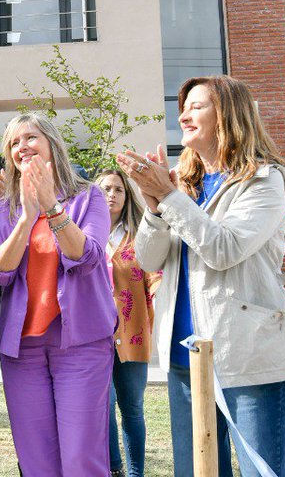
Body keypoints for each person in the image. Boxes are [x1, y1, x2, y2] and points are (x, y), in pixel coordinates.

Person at [122, 75, 285, 477]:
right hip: (184, 360)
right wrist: (156, 205)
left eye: (197, 106)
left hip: (247, 357)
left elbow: (224, 249)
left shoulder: (266, 181)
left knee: (262, 471)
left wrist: (171, 197)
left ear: (228, 114)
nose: (184, 114)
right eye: (184, 106)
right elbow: (147, 258)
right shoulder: (183, 184)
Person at [0, 113, 115, 477]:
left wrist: (50, 208)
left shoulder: (88, 197)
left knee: (81, 459)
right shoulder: (5, 209)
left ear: (52, 142)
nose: (22, 146)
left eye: (30, 138)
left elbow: (87, 257)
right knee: (36, 459)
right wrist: (26, 217)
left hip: (82, 344)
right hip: (22, 348)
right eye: (13, 142)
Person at [97, 169, 161, 477]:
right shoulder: (85, 234)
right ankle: (115, 469)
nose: (111, 194)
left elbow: (156, 277)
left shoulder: (140, 236)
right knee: (104, 406)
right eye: (106, 188)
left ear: (127, 196)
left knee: (132, 407)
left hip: (133, 334)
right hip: (94, 337)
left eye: (118, 189)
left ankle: (136, 473)